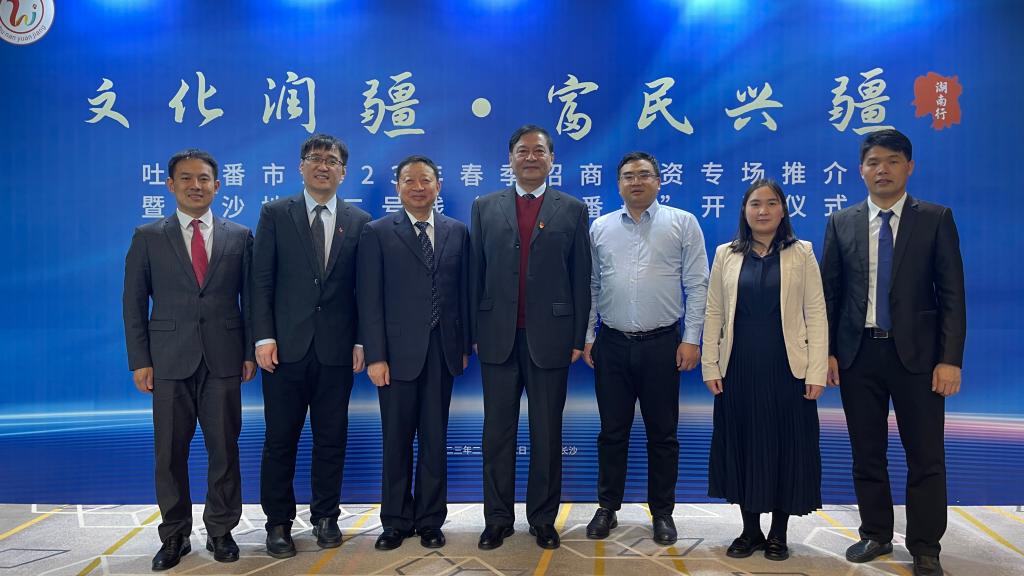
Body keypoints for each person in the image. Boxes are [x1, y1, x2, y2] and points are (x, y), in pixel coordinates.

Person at [822, 129, 966, 576]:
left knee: (925, 455)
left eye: (892, 161)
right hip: (858, 355)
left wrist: (950, 359)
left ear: (909, 167)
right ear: (861, 170)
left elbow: (952, 295)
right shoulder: (841, 222)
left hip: (919, 359)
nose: (881, 169)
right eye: (873, 162)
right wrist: (828, 353)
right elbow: (830, 294)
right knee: (867, 452)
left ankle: (925, 546)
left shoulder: (935, 219)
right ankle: (876, 532)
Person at [123, 149, 255, 570]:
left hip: (224, 359)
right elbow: (133, 303)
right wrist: (140, 360)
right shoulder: (148, 236)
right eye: (186, 178)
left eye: (203, 179)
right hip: (168, 361)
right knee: (169, 454)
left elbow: (251, 301)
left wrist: (248, 351)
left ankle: (221, 530)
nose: (195, 186)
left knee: (224, 450)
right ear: (170, 185)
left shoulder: (239, 236)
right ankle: (175, 534)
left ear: (217, 185)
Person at [470, 124, 591, 550]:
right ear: (511, 159)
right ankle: (497, 519)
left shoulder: (572, 209)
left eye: (539, 151)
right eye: (522, 151)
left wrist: (577, 336)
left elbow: (581, 277)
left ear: (551, 159)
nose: (531, 157)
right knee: (496, 434)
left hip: (552, 339)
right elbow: (475, 274)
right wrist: (475, 332)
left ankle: (543, 519)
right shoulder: (485, 207)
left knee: (547, 434)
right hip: (497, 338)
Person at [252, 133, 370, 558]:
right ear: (301, 166)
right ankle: (278, 523)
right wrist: (263, 337)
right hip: (284, 350)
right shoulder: (275, 213)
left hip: (336, 350)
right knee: (280, 441)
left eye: (331, 160)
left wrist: (361, 340)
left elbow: (363, 289)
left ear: (343, 171)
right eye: (315, 158)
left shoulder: (359, 220)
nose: (323, 166)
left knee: (331, 439)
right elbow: (261, 280)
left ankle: (326, 516)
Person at [582, 151, 708, 545]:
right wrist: (588, 337)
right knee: (611, 432)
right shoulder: (600, 228)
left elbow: (697, 283)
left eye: (644, 175)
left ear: (658, 180)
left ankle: (663, 512)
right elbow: (591, 286)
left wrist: (692, 338)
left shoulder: (682, 223)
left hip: (663, 345)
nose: (636, 182)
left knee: (663, 435)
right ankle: (607, 507)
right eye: (628, 176)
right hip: (612, 344)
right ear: (618, 184)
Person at [702, 178, 828, 561]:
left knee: (785, 448)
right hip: (738, 367)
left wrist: (817, 371)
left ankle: (778, 533)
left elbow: (816, 313)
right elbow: (714, 311)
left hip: (787, 369)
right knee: (743, 446)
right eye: (755, 203)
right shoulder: (725, 254)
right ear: (744, 210)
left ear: (783, 209)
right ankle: (750, 531)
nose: (763, 210)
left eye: (771, 203)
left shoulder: (802, 253)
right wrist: (710, 364)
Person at [357, 155, 471, 551]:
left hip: (442, 351)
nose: (418, 187)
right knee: (396, 440)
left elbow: (464, 293)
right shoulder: (377, 232)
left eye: (425, 180)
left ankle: (430, 520)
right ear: (398, 187)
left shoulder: (457, 231)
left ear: (438, 186)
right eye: (410, 180)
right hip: (395, 355)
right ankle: (394, 521)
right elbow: (369, 298)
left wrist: (463, 346)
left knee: (435, 441)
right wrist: (375, 356)